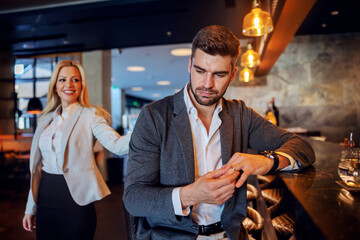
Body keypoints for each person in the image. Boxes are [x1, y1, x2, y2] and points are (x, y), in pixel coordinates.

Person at [123, 25, 315, 240]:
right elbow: (134, 198)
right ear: (189, 65)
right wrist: (191, 194)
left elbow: (302, 147)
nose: (207, 84)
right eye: (200, 71)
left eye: (219, 74)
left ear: (233, 73)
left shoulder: (241, 115)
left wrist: (268, 161)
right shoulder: (154, 116)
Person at [22, 60, 131, 240]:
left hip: (75, 204)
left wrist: (147, 127)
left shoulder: (91, 116)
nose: (69, 85)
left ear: (81, 85)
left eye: (75, 80)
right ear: (55, 86)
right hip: (46, 199)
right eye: (62, 80)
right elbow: (37, 170)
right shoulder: (45, 119)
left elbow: (117, 146)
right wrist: (30, 208)